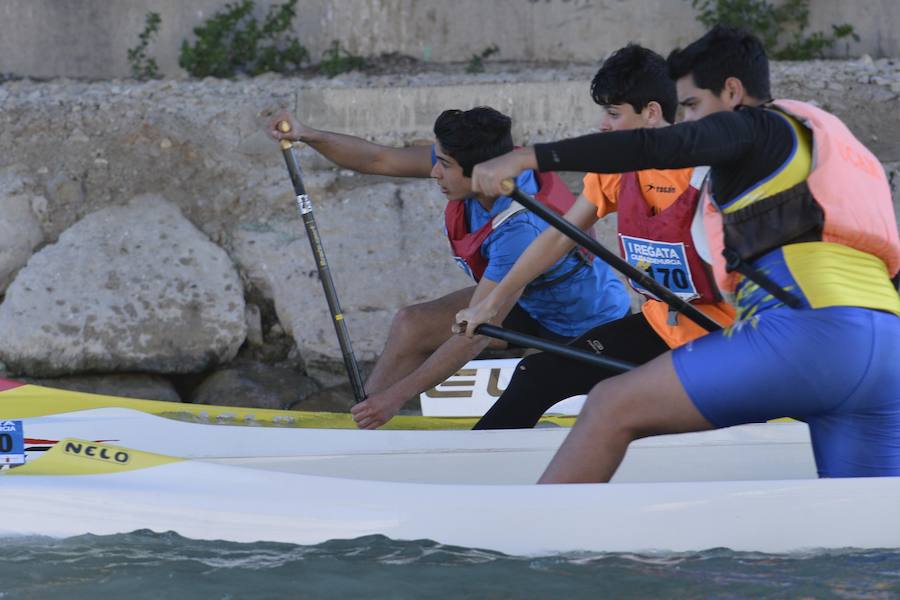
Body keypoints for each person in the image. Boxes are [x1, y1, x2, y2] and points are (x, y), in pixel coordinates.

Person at [458, 26, 900, 481]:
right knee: (862, 523)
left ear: (731, 92)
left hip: (798, 336)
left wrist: (525, 157)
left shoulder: (748, 129)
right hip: (884, 346)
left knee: (610, 404)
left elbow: (657, 144)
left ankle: (530, 537)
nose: (686, 118)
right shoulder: (830, 147)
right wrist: (494, 299)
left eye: (690, 105)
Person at [269, 106, 630, 429]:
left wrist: (397, 398)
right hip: (530, 299)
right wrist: (307, 134)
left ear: (480, 172)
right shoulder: (477, 161)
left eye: (443, 165)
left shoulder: (519, 228)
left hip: (584, 323)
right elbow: (379, 159)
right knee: (412, 324)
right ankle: (362, 424)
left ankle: (400, 420)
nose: (432, 171)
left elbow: (475, 334)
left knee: (529, 382)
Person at [457, 44, 735, 430]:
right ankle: (479, 479)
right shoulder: (616, 168)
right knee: (535, 375)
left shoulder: (712, 174)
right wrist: (492, 304)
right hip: (661, 326)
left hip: (730, 339)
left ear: (651, 114)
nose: (603, 125)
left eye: (613, 113)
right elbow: (559, 237)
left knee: (628, 405)